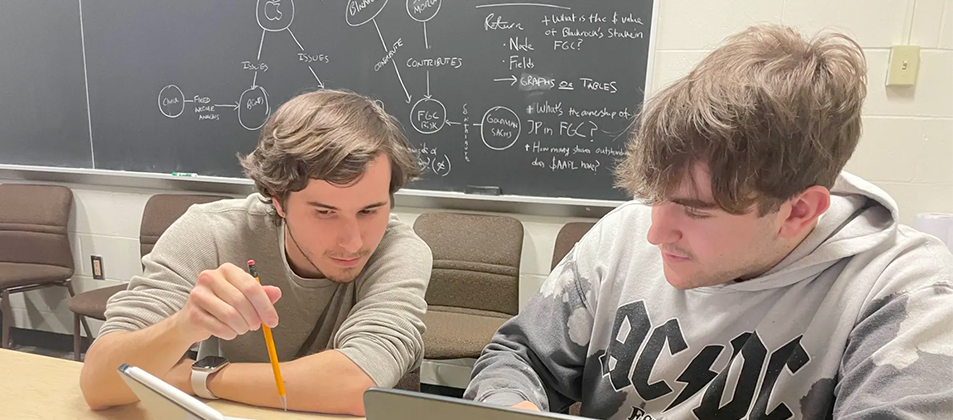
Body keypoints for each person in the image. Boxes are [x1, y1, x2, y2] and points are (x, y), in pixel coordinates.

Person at [465, 25, 953, 419]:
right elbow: (517, 358)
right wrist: (513, 408)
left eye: (695, 210)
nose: (655, 234)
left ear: (799, 210)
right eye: (654, 197)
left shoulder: (902, 289)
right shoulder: (623, 235)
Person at [80, 89, 433, 416]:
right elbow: (98, 383)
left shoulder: (399, 251)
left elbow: (357, 384)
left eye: (369, 211)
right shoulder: (210, 232)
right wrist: (183, 326)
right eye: (325, 212)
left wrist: (195, 378)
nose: (353, 242)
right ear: (278, 200)